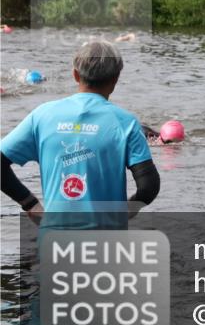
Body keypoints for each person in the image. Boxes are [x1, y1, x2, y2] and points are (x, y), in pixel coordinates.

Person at [1, 41, 160, 228]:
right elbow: (149, 186)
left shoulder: (42, 116)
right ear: (116, 78)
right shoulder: (126, 123)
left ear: (75, 74)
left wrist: (30, 203)